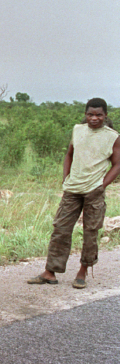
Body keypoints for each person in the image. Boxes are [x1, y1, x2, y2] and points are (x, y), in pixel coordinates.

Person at [28, 98, 120, 289]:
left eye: (99, 115)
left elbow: (117, 164)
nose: (94, 118)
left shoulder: (112, 136)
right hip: (72, 189)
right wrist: (65, 178)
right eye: (90, 115)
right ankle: (50, 272)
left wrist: (102, 185)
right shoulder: (78, 130)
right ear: (85, 115)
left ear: (105, 115)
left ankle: (82, 272)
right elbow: (69, 154)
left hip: (94, 191)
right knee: (60, 229)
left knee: (90, 231)